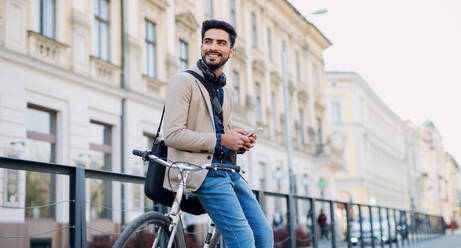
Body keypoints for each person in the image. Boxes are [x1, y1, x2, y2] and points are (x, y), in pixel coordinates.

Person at [163, 19, 273, 248]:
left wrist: (239, 141)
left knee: (264, 235)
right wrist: (224, 139)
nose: (213, 46)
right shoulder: (183, 81)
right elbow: (172, 135)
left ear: (230, 51)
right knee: (243, 240)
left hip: (229, 171)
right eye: (208, 41)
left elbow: (221, 133)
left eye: (221, 43)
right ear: (201, 46)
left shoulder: (225, 90)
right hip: (201, 172)